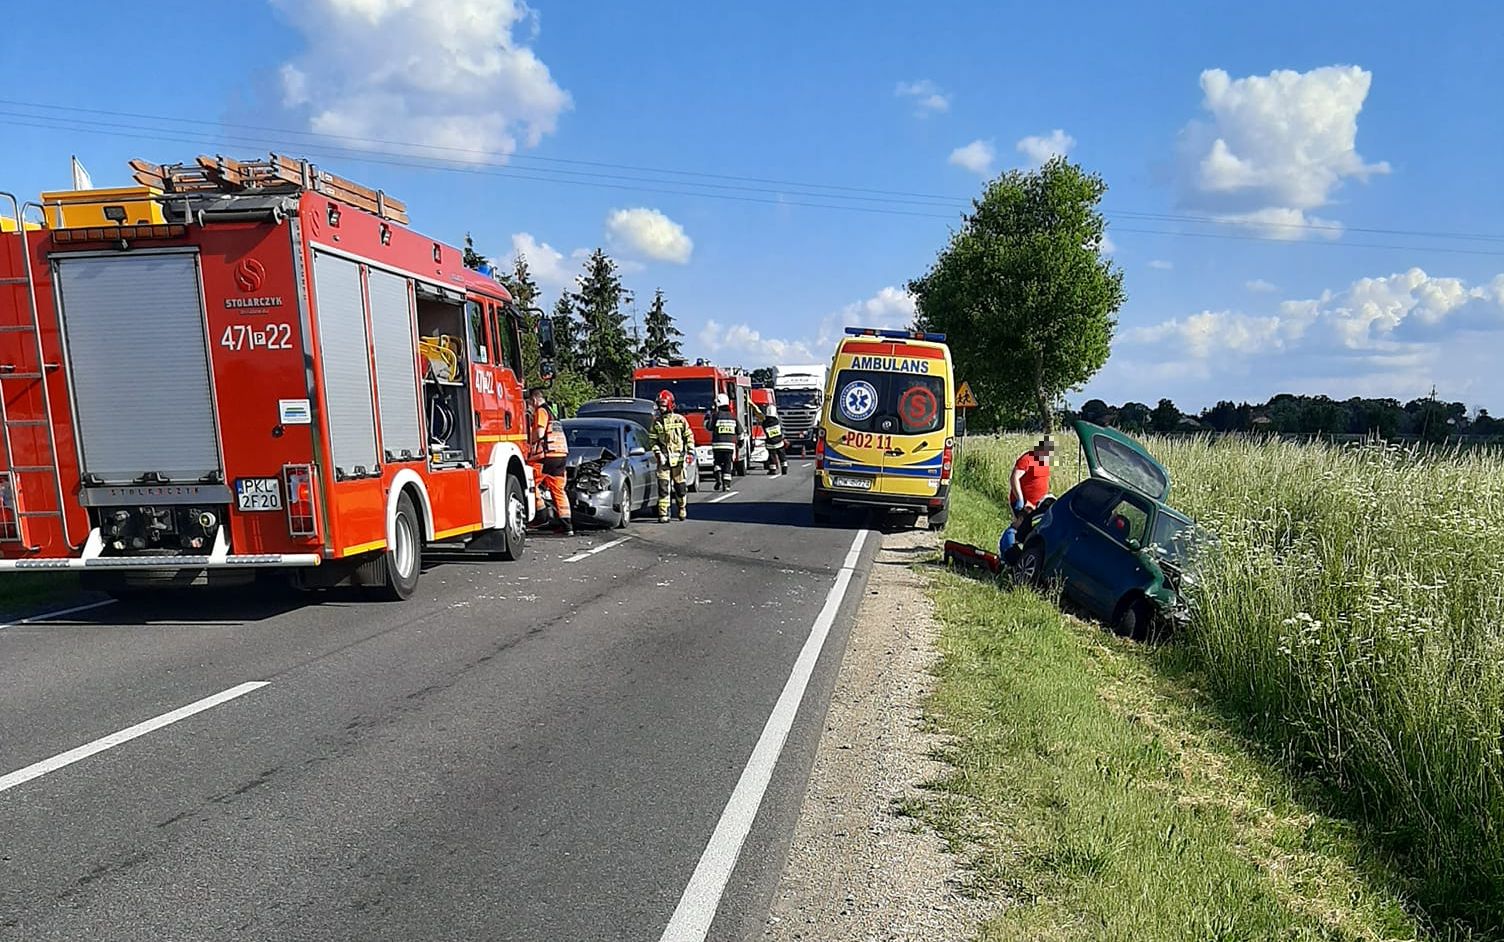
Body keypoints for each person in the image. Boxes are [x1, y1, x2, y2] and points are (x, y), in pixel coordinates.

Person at [527, 387, 573, 536]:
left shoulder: (541, 411)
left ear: (534, 400)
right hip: (561, 456)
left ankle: (540, 516)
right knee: (558, 490)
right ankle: (567, 526)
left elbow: (540, 433)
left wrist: (528, 441)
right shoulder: (554, 413)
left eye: (529, 403)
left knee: (529, 482)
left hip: (547, 456)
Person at [1000, 436, 1054, 553]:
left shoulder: (1044, 463)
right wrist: (1020, 499)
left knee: (1031, 531)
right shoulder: (1027, 459)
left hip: (1038, 505)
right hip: (1025, 504)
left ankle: (1024, 555)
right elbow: (1014, 477)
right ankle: (1008, 552)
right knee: (1018, 527)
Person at [650, 390, 693, 522]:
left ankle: (682, 509)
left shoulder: (680, 420)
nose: (660, 408)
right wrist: (658, 453)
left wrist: (690, 453)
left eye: (663, 405)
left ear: (669, 405)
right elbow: (652, 440)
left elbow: (689, 436)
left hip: (679, 463)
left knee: (680, 489)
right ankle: (664, 514)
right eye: (659, 405)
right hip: (663, 461)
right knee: (663, 488)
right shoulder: (656, 423)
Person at [708, 393, 741, 491]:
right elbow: (739, 431)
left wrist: (707, 417)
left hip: (717, 445)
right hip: (729, 446)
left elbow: (709, 427)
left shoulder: (715, 415)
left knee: (717, 463)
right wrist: (740, 442)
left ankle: (718, 478)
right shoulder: (732, 416)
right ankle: (726, 485)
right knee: (727, 464)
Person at [755, 402, 787, 476]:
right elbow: (781, 430)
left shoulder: (765, 422)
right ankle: (784, 468)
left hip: (770, 443)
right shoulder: (777, 421)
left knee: (772, 456)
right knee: (782, 455)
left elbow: (764, 427)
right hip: (779, 442)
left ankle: (772, 470)